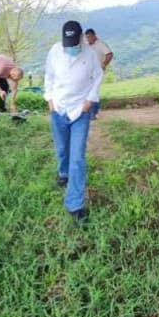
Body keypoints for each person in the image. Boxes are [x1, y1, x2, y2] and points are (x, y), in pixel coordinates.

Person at [45, 20, 103, 226]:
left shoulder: (90, 54)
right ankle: (63, 173)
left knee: (77, 157)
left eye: (74, 42)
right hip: (58, 110)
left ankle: (75, 205)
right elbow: (49, 76)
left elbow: (98, 76)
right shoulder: (54, 51)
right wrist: (49, 100)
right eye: (67, 43)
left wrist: (90, 101)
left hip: (80, 111)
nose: (70, 47)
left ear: (80, 38)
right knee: (62, 149)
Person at [84, 28, 112, 120]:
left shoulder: (101, 44)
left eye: (90, 37)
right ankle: (88, 111)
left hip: (97, 71)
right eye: (87, 37)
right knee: (86, 90)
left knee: (94, 91)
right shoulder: (85, 43)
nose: (88, 39)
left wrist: (104, 64)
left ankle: (94, 113)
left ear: (94, 35)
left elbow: (109, 54)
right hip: (86, 70)